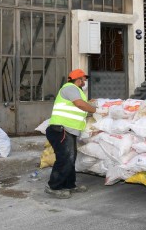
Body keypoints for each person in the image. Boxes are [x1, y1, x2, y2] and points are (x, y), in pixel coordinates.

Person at [45, 69, 108, 199]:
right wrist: (97, 110)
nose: (85, 82)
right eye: (84, 79)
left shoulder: (76, 91)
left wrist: (93, 108)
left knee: (70, 159)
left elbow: (80, 107)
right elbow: (79, 104)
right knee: (65, 159)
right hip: (61, 129)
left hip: (68, 130)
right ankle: (54, 187)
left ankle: (69, 185)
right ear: (78, 80)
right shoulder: (70, 88)